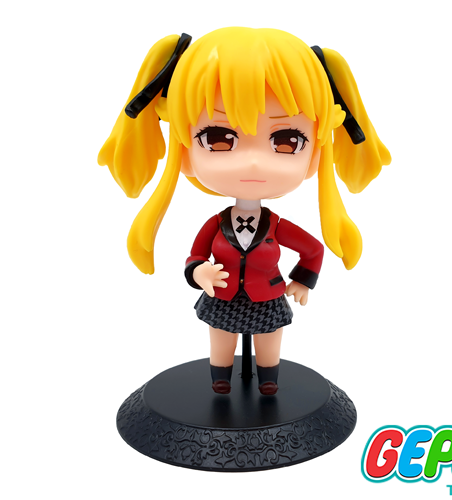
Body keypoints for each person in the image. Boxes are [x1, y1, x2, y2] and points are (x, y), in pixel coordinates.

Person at [98, 27, 391, 396]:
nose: (253, 163)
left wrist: (302, 281)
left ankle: (269, 380)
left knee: (270, 339)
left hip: (267, 297)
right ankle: (220, 379)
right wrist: (198, 272)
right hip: (221, 297)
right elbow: (195, 255)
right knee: (220, 338)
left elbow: (313, 249)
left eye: (287, 140)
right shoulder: (216, 224)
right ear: (185, 149)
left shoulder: (276, 225)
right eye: (218, 138)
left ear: (316, 152)